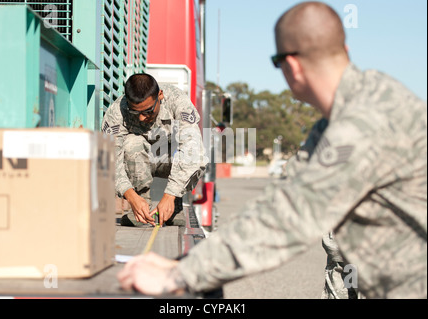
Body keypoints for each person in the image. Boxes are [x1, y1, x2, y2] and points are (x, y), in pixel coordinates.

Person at [117, 2, 427, 298]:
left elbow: (286, 218)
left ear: (291, 66)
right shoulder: (351, 113)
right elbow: (279, 199)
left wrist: (177, 276)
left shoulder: (358, 124)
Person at [102, 73, 208, 226]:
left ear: (160, 95)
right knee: (131, 143)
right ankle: (141, 203)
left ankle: (175, 204)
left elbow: (193, 151)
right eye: (135, 112)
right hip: (140, 162)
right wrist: (130, 196)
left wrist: (171, 195)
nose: (141, 118)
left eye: (148, 111)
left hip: (171, 159)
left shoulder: (177, 100)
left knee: (186, 147)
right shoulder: (117, 112)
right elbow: (110, 160)